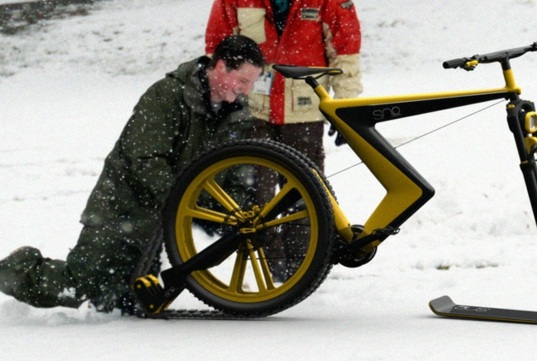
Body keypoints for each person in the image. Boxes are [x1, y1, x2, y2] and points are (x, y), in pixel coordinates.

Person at [0, 35, 265, 313]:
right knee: (79, 285)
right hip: (120, 211)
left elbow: (238, 170)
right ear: (221, 67)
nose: (246, 90)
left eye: (251, 84)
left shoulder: (237, 115)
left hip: (157, 225)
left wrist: (227, 211)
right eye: (243, 81)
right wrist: (188, 203)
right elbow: (146, 162)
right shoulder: (166, 95)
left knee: (125, 303)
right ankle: (12, 270)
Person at [204, 0, 363, 171]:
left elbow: (345, 52)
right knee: (252, 192)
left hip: (304, 115)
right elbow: (218, 51)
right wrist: (218, 103)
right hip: (251, 112)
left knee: (306, 192)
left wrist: (345, 107)